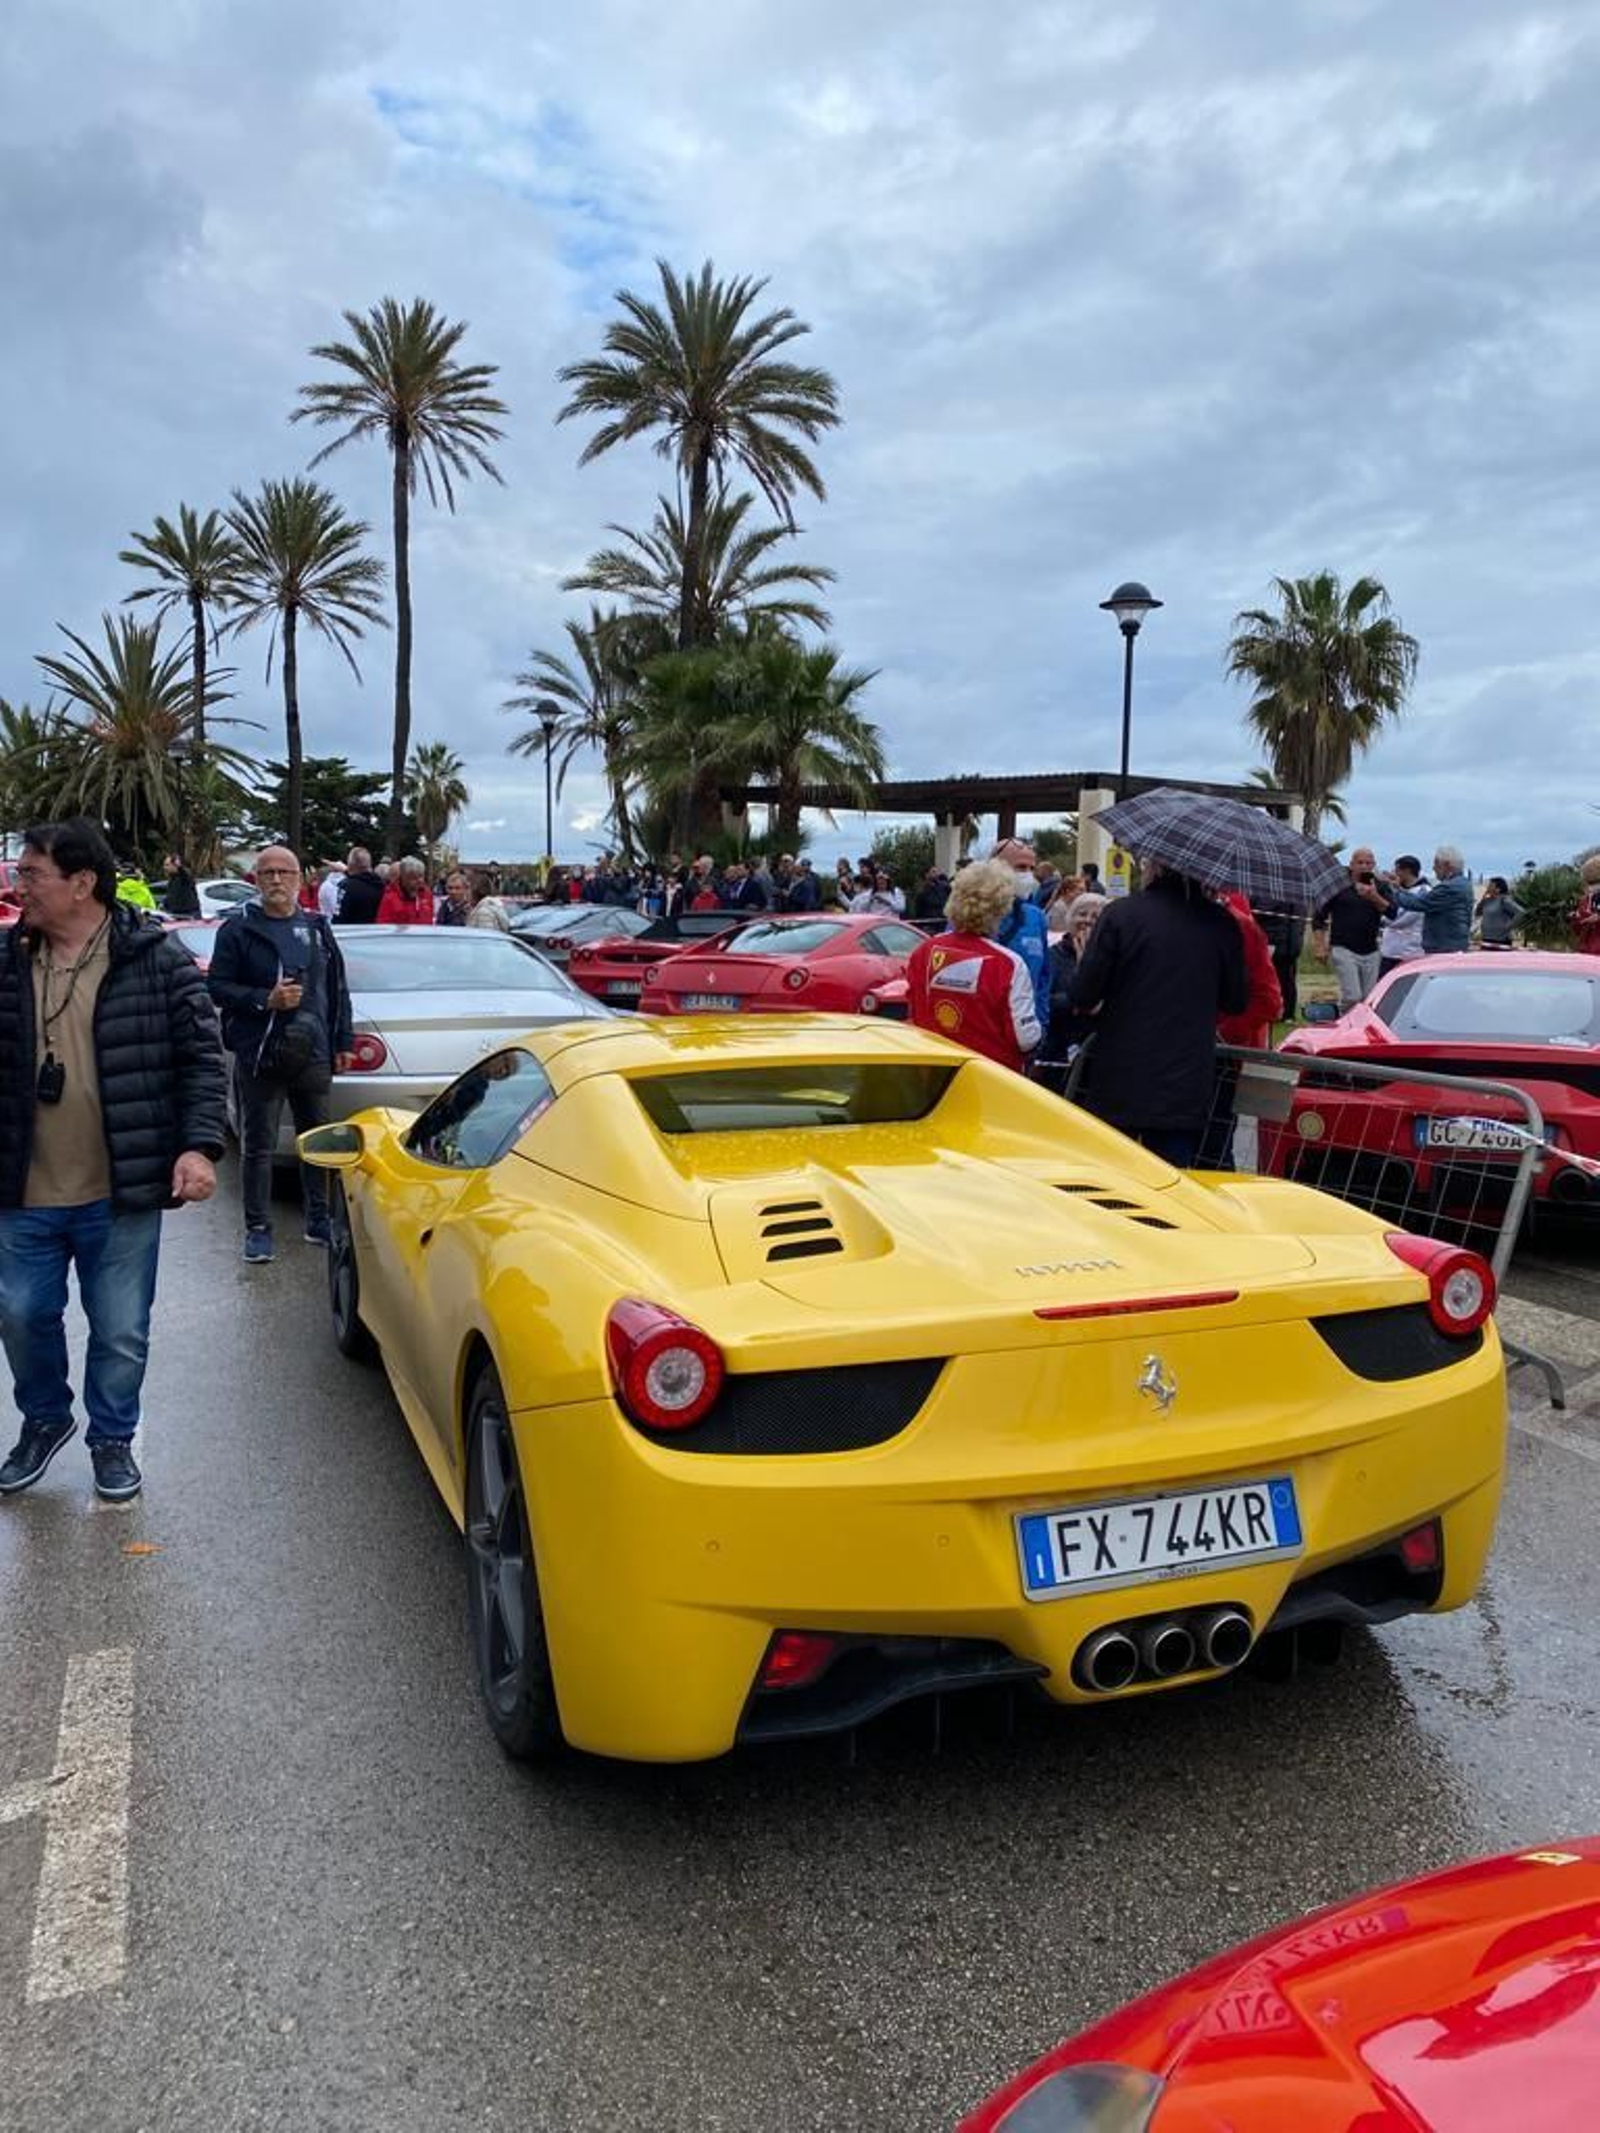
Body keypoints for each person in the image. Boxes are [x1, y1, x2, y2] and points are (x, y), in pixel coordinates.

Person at [0, 818, 226, 1502]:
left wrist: (198, 1145)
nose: (19, 886)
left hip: (119, 1187)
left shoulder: (154, 959)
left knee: (121, 1328)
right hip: (23, 1187)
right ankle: (45, 1419)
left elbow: (201, 1058)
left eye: (31, 874)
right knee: (21, 1315)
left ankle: (112, 1438)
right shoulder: (7, 959)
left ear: (82, 883)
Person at [206, 845, 353, 1265]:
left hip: (314, 1053)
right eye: (267, 872)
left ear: (299, 879)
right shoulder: (237, 930)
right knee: (258, 1146)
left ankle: (318, 1219)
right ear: (255, 879)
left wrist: (343, 1040)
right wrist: (263, 999)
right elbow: (217, 987)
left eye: (284, 872)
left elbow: (337, 989)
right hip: (261, 1054)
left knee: (317, 1142)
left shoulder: (318, 928)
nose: (275, 879)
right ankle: (257, 1229)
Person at [1069, 857, 1248, 1166]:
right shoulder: (1221, 923)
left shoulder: (1121, 914)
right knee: (1169, 1181)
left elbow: (1083, 995)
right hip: (1185, 1081)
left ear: (1155, 867)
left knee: (1113, 1177)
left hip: (1118, 1076)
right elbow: (1236, 1001)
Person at [906, 859, 1041, 1073]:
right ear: (1001, 908)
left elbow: (914, 1009)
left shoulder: (924, 951)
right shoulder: (1008, 964)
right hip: (991, 1076)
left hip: (931, 1072)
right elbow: (1025, 1039)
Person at [1311, 845, 1387, 1009]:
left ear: (1373, 865)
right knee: (1353, 996)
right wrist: (1319, 946)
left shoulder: (1380, 886)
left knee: (1369, 999)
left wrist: (1374, 897)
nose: (1364, 866)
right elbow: (1318, 918)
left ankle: (1361, 1024)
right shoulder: (1338, 886)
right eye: (1360, 863)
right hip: (1343, 947)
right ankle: (1344, 1019)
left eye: (1368, 863)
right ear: (1351, 864)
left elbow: (1392, 912)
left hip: (1371, 950)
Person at [1377, 845, 1474, 954]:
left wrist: (1391, 890)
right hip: (1451, 947)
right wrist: (1399, 889)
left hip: (1444, 949)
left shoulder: (1450, 887)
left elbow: (1420, 903)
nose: (1433, 868)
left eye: (1436, 864)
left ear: (1447, 865)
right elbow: (1421, 900)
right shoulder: (1462, 884)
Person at [1377, 856, 1427, 977]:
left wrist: (1380, 918)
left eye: (1397, 870)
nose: (1394, 873)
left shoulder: (1423, 892)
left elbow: (1399, 919)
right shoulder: (1403, 890)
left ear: (1407, 871)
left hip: (1408, 953)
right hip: (1392, 952)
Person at [376, 855, 434, 924]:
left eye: (421, 876)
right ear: (404, 877)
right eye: (414, 878)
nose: (420, 880)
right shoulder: (390, 897)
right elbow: (383, 925)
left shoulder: (427, 894)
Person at [336, 845, 384, 925]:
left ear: (350, 864)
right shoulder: (381, 885)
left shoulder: (346, 886)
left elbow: (339, 918)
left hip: (351, 930)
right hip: (376, 930)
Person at [1475, 876, 1524, 950]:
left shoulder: (1504, 900)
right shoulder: (1487, 901)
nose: (1488, 887)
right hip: (1486, 938)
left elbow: (1521, 912)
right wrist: (1483, 899)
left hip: (1501, 940)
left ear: (1498, 889)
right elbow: (1477, 913)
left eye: (1491, 885)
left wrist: (1508, 926)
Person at [1574, 857, 1600, 956]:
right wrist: (1577, 919)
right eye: (1590, 883)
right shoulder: (1584, 901)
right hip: (1586, 951)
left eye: (1597, 882)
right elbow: (1578, 931)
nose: (1593, 887)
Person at [161, 852, 201, 917]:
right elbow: (171, 897)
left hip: (189, 914)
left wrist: (179, 867)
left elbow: (185, 874)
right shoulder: (172, 881)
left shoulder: (184, 878)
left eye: (167, 865)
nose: (165, 868)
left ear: (175, 865)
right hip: (177, 914)